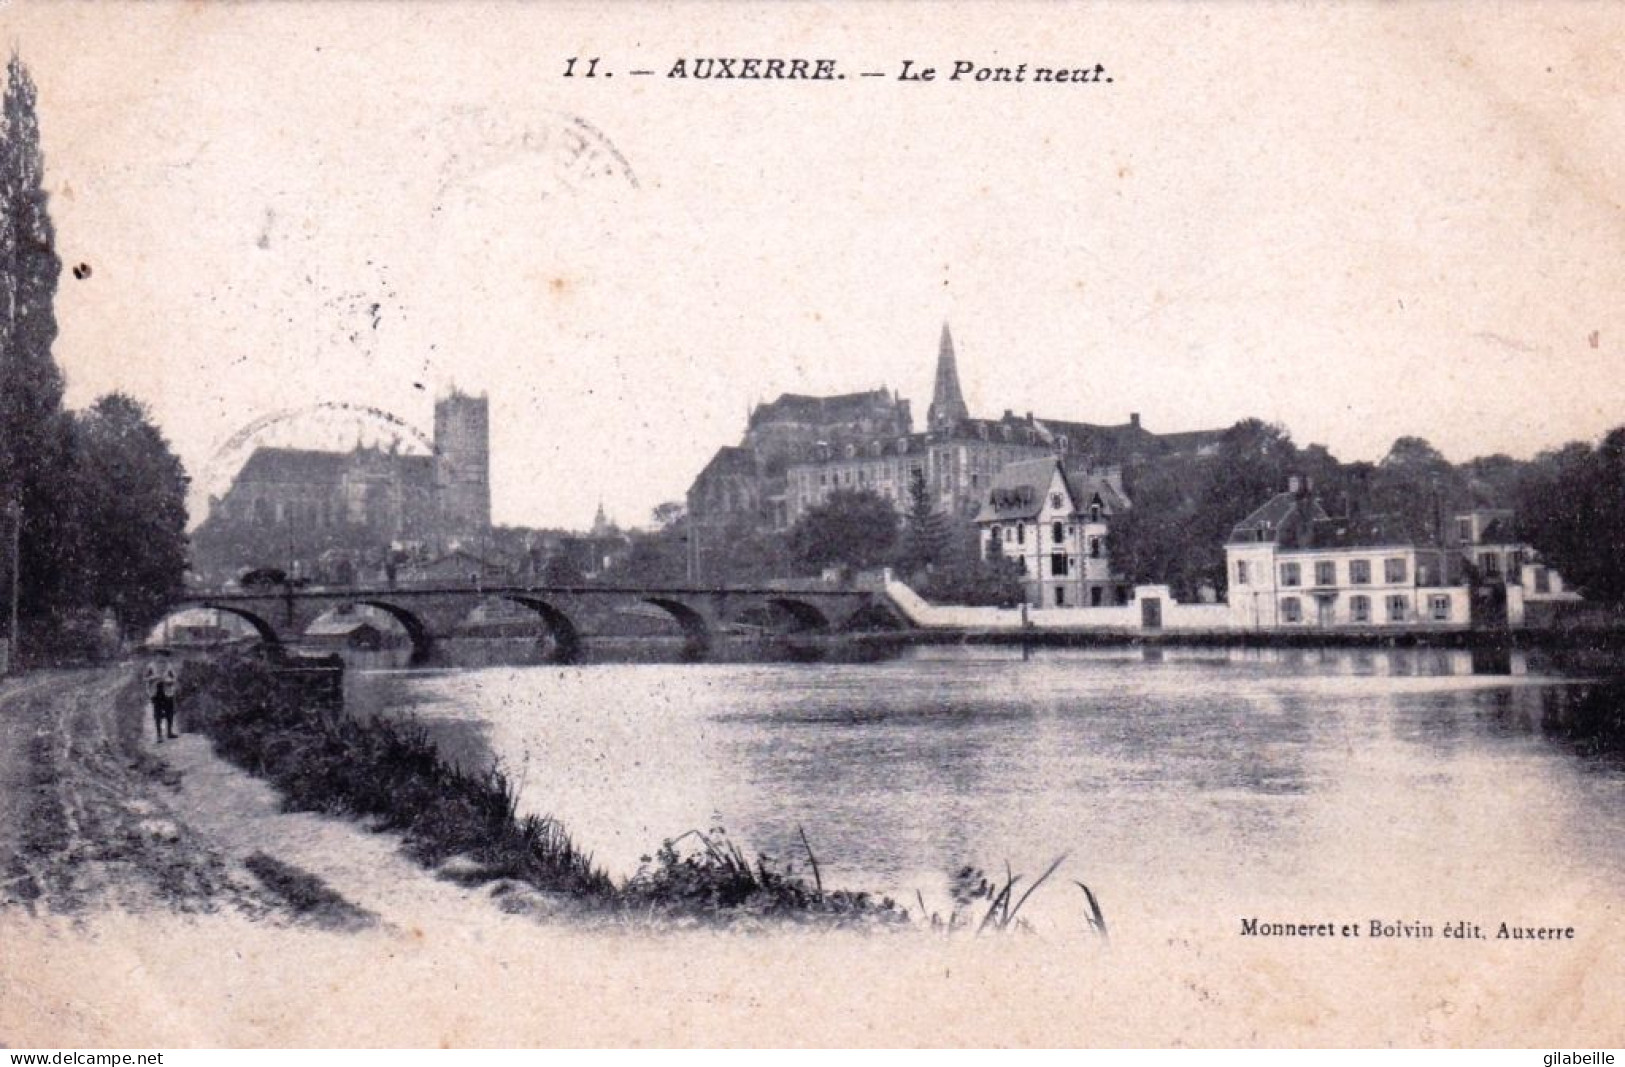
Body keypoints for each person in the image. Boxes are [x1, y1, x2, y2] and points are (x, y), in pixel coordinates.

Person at [143, 651, 180, 742]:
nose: (161, 658)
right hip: (156, 692)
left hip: (168, 691)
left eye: (163, 656)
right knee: (158, 713)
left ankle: (169, 732)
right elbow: (144, 678)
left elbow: (175, 678)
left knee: (170, 712)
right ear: (156, 656)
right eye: (159, 655)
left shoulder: (169, 666)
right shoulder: (151, 666)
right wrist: (153, 678)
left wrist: (169, 680)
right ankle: (159, 735)